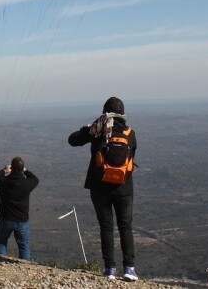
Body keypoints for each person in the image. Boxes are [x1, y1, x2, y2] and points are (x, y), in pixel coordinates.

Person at [68, 96, 138, 282]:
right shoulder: (129, 132)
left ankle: (110, 269)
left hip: (99, 186)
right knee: (126, 226)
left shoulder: (97, 131)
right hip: (124, 187)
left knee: (106, 227)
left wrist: (89, 128)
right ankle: (129, 268)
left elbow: (72, 140)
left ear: (104, 112)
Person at [0, 156, 39, 260]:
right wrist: (26, 171)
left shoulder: (4, 181)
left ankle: (1, 262)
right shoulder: (27, 183)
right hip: (22, 220)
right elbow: (35, 179)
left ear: (11, 168)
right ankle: (24, 266)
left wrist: (4, 171)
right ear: (22, 169)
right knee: (23, 244)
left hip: (6, 218)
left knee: (2, 241)